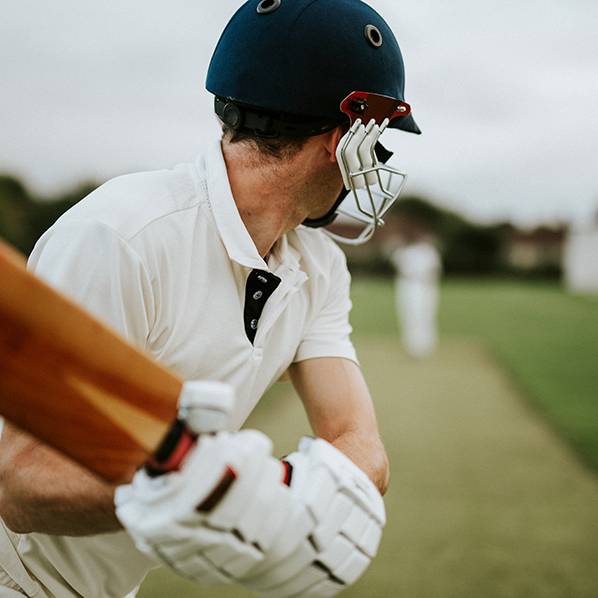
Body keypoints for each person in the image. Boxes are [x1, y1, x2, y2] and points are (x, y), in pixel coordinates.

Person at [0, 0, 420, 596]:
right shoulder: (120, 237)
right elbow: (18, 487)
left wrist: (273, 492)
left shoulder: (319, 264)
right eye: (378, 143)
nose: (375, 165)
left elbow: (357, 440)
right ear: (343, 139)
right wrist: (198, 490)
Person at [391, 236, 442, 358]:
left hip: (425, 285)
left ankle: (425, 345)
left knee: (426, 314)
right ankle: (412, 345)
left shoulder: (428, 251)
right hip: (408, 284)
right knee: (408, 313)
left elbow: (436, 270)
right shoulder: (403, 251)